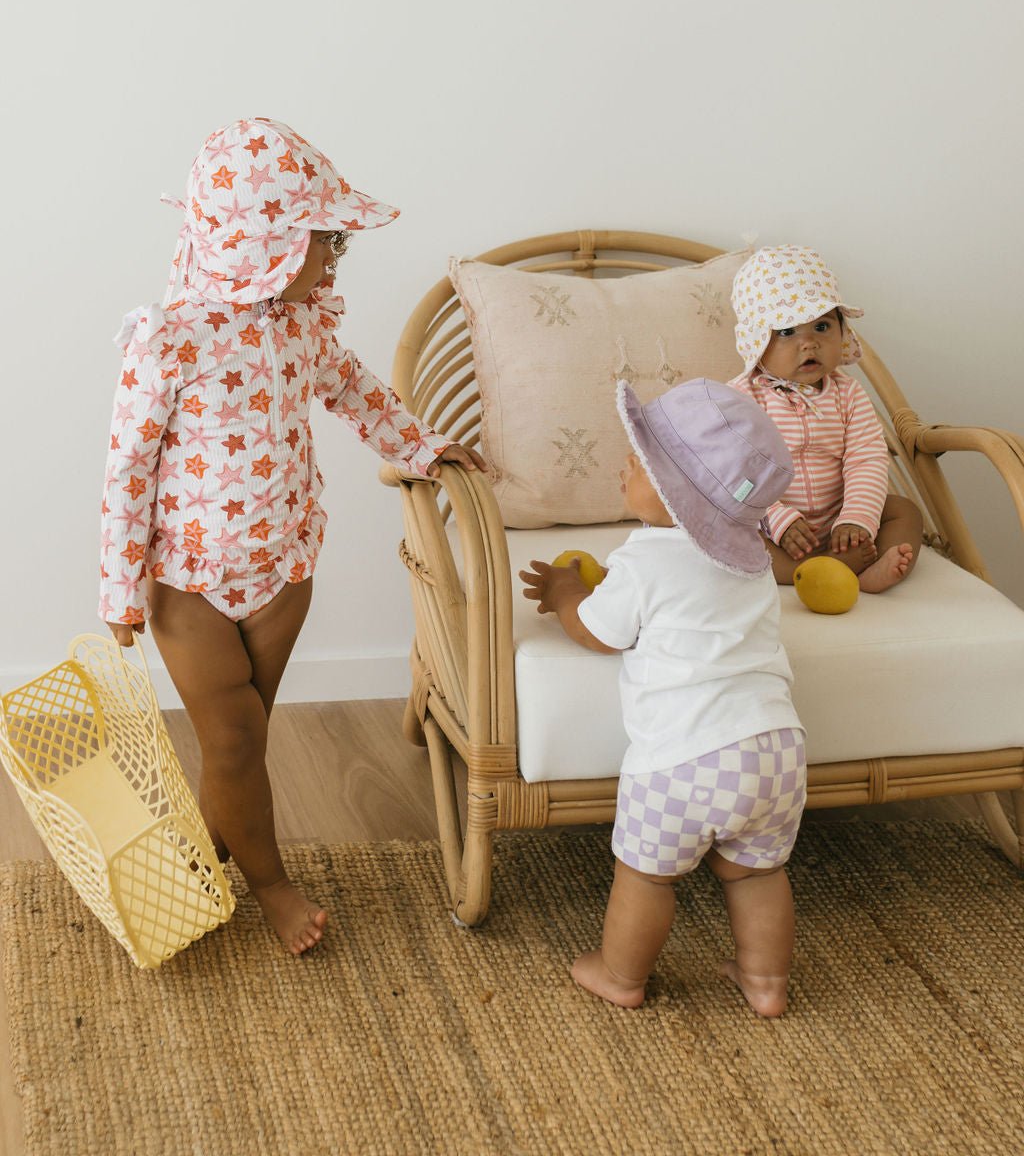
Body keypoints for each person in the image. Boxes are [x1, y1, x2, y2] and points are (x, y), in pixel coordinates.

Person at [99, 118, 484, 955]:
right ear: (259, 244)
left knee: (243, 743)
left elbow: (353, 389)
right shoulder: (169, 340)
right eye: (324, 243)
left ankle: (207, 851)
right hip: (186, 578)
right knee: (234, 738)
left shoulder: (303, 324)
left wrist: (420, 446)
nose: (334, 261)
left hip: (284, 565)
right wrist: (121, 584)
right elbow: (128, 468)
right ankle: (270, 883)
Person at [521, 377, 806, 1017]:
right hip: (776, 749)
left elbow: (599, 632)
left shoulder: (643, 561)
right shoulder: (753, 562)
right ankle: (765, 982)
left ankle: (620, 974)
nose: (627, 464)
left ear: (681, 497)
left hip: (684, 762)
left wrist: (567, 594)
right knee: (757, 875)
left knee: (647, 876)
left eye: (643, 461)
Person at [729, 245, 922, 592]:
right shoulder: (742, 399)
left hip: (840, 520)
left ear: (842, 331)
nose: (809, 344)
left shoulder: (848, 394)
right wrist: (779, 520)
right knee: (729, 535)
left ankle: (865, 574)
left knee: (906, 512)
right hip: (774, 527)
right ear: (756, 343)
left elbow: (867, 459)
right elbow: (734, 472)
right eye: (787, 331)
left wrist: (856, 520)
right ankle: (807, 572)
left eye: (821, 326)